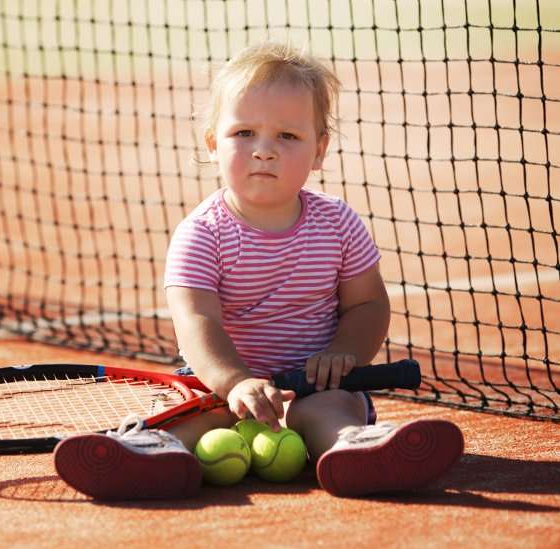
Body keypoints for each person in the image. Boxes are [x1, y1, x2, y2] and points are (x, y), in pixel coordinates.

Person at [53, 42, 463, 500]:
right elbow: (196, 321)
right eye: (244, 133)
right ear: (213, 143)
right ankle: (151, 454)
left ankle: (357, 449)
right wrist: (236, 382)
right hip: (220, 384)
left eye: (287, 136)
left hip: (313, 387)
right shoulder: (201, 233)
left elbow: (368, 304)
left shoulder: (339, 223)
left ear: (319, 150)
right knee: (197, 412)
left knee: (329, 409)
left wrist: (343, 354)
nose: (264, 151)